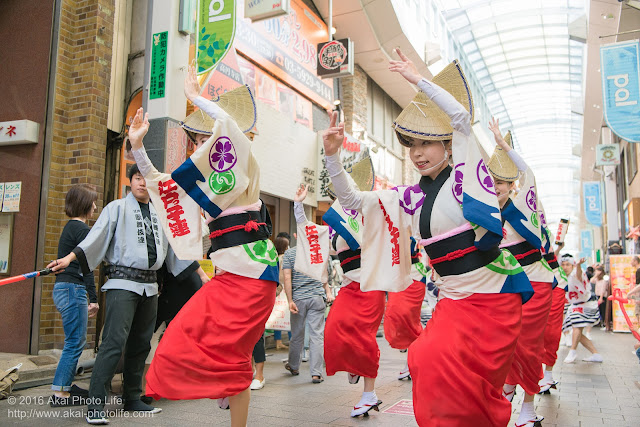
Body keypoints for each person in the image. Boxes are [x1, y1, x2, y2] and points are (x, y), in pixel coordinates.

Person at [323, 48, 533, 426]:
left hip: (492, 296)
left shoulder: (464, 178)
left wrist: (417, 79)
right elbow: (353, 200)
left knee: (459, 378)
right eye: (412, 146)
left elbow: (461, 119)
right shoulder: (410, 197)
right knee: (425, 361)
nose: (418, 154)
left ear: (448, 146)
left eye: (426, 144)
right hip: (454, 299)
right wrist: (332, 158)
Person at [135, 66, 279, 427]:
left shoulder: (243, 161)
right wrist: (137, 146)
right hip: (230, 277)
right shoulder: (203, 181)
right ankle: (222, 388)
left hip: (255, 275)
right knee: (182, 336)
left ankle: (231, 404)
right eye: (197, 140)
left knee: (233, 356)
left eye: (205, 138)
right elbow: (160, 185)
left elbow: (229, 127)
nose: (200, 146)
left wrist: (197, 98)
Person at [48, 165, 205, 425]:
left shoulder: (161, 214)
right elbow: (94, 239)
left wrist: (202, 276)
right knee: (113, 343)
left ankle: (133, 397)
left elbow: (177, 251)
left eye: (146, 179)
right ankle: (95, 404)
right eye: (137, 178)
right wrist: (69, 258)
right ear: (131, 181)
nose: (142, 183)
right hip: (123, 283)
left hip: (151, 286)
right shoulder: (116, 208)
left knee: (141, 344)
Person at [486, 120, 554, 427]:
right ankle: (509, 385)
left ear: (511, 184)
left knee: (528, 346)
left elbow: (530, 174)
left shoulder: (524, 207)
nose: (495, 186)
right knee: (504, 343)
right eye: (490, 181)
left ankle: (527, 406)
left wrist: (501, 143)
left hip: (536, 284)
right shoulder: (483, 214)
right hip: (505, 287)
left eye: (501, 181)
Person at [50, 184, 99, 407]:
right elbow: (88, 267)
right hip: (72, 289)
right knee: (74, 342)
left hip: (65, 288)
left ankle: (65, 387)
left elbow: (84, 267)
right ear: (84, 204)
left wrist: (92, 297)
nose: (96, 206)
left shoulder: (71, 228)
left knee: (75, 341)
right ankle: (60, 394)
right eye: (93, 202)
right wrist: (94, 298)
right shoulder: (81, 230)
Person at [283, 185, 334, 383]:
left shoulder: (289, 253)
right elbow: (325, 278)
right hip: (317, 299)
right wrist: (326, 292)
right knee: (316, 336)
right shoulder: (321, 254)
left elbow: (287, 278)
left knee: (296, 335)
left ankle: (294, 366)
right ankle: (316, 373)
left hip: (299, 299)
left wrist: (289, 300)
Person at [538, 238, 569, 394]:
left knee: (551, 330)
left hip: (554, 284)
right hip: (532, 281)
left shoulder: (533, 218)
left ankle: (547, 374)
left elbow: (547, 256)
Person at [562, 255, 603, 364]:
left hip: (587, 304)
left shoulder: (575, 274)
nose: (565, 267)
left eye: (567, 264)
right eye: (563, 264)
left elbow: (579, 275)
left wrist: (579, 265)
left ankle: (572, 351)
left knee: (577, 326)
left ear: (572, 265)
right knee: (577, 332)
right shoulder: (563, 277)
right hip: (576, 305)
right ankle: (595, 353)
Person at [273, 233, 291, 350]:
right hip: (285, 288)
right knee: (289, 316)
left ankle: (278, 341)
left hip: (276, 289)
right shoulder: (285, 258)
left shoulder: (273, 258)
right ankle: (291, 340)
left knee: (276, 316)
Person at [591, 265, 609, 329]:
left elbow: (603, 289)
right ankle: (601, 323)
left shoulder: (604, 278)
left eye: (597, 271)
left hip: (603, 296)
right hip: (598, 295)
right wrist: (596, 275)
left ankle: (605, 324)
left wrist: (601, 298)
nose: (595, 272)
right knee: (599, 310)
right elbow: (591, 280)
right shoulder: (597, 279)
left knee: (603, 310)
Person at [630, 256, 640, 327]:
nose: (631, 262)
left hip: (638, 294)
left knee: (638, 311)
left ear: (636, 261)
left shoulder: (638, 271)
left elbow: (638, 285)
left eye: (632, 261)